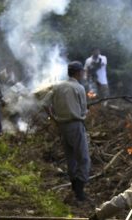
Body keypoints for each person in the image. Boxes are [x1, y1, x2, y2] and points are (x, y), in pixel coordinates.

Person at [42, 61, 90, 202]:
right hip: (75, 124)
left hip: (62, 126)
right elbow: (83, 110)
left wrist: (54, 118)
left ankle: (75, 188)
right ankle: (79, 192)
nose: (83, 74)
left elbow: (45, 104)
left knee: (71, 158)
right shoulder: (79, 88)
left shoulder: (58, 87)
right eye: (82, 71)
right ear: (77, 72)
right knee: (84, 158)